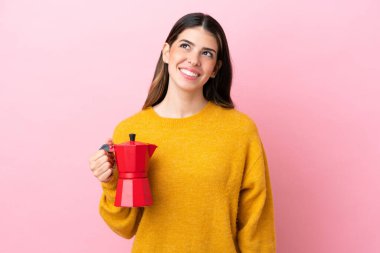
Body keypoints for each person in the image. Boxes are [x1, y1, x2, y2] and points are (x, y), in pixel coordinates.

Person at [89, 12, 276, 253]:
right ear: (167, 52)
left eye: (206, 53)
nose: (194, 60)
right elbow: (124, 226)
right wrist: (110, 181)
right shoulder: (130, 131)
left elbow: (257, 225)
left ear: (216, 68)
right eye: (185, 46)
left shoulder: (240, 131)